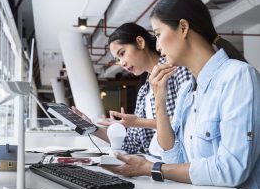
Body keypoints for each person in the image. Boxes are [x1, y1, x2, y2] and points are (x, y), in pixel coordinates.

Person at [101, 0, 260, 189]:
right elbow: (175, 161)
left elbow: (232, 169)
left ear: (183, 28)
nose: (157, 45)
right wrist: (159, 98)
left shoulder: (238, 76)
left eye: (158, 34)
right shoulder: (187, 90)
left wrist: (150, 168)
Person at [73, 22, 191, 155]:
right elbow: (131, 144)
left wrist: (139, 122)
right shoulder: (143, 92)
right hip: (155, 161)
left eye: (122, 53)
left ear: (140, 42)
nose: (121, 63)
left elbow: (190, 120)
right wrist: (92, 128)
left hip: (178, 163)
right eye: (118, 59)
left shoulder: (177, 68)